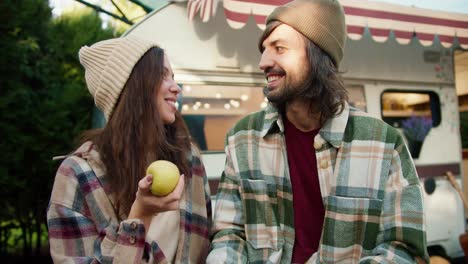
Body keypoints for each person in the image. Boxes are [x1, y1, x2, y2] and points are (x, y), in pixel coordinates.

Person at [207, 0, 429, 263]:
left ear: (318, 56)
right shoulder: (242, 138)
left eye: (279, 48)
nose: (263, 62)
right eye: (264, 50)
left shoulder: (384, 143)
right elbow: (229, 234)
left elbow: (404, 247)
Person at [47, 36, 211, 263]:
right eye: (162, 76)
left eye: (173, 77)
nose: (176, 87)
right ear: (132, 86)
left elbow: (208, 244)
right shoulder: (77, 175)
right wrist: (140, 216)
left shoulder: (189, 159)